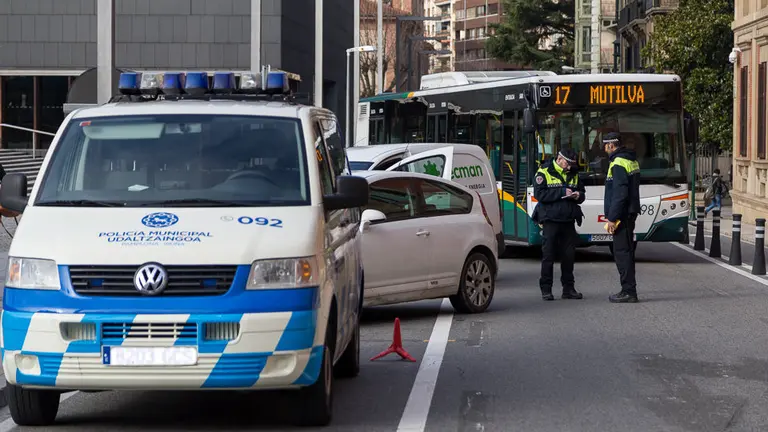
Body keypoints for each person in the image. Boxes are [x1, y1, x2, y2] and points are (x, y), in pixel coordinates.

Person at [532, 148, 585, 301]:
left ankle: (568, 289)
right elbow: (539, 194)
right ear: (559, 159)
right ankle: (546, 289)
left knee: (569, 257)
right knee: (548, 256)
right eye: (567, 163)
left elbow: (582, 193)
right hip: (551, 220)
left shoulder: (573, 173)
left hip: (568, 220)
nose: (569, 167)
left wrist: (578, 195)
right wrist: (562, 192)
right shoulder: (544, 172)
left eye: (571, 164)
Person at [602, 132, 641, 303]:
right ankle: (629, 289)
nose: (605, 149)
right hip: (629, 212)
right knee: (628, 252)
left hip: (622, 215)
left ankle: (628, 291)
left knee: (622, 253)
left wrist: (612, 218)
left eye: (605, 146)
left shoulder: (617, 163)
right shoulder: (631, 160)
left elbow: (619, 194)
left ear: (611, 145)